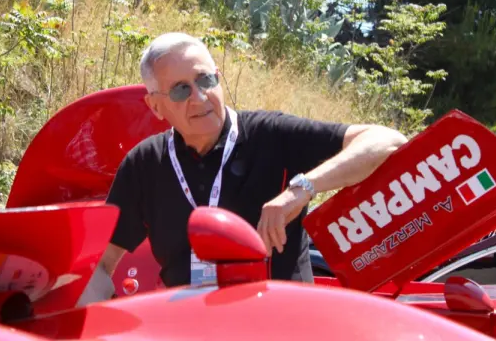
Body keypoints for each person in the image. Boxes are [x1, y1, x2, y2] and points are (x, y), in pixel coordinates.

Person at [77, 32, 408, 304]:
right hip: (189, 329)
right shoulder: (144, 164)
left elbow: (386, 140)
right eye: (181, 89)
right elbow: (101, 264)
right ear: (155, 105)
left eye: (206, 79)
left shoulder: (271, 134)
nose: (200, 96)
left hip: (285, 323)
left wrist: (301, 189)